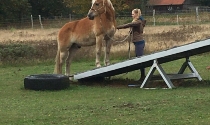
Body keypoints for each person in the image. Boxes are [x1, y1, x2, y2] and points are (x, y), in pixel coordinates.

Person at [116, 8, 146, 82]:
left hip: (139, 42)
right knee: (139, 59)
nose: (131, 15)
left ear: (136, 14)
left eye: (133, 14)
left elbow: (129, 24)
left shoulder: (138, 22)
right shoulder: (138, 21)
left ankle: (143, 76)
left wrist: (117, 27)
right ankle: (143, 76)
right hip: (138, 43)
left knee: (140, 60)